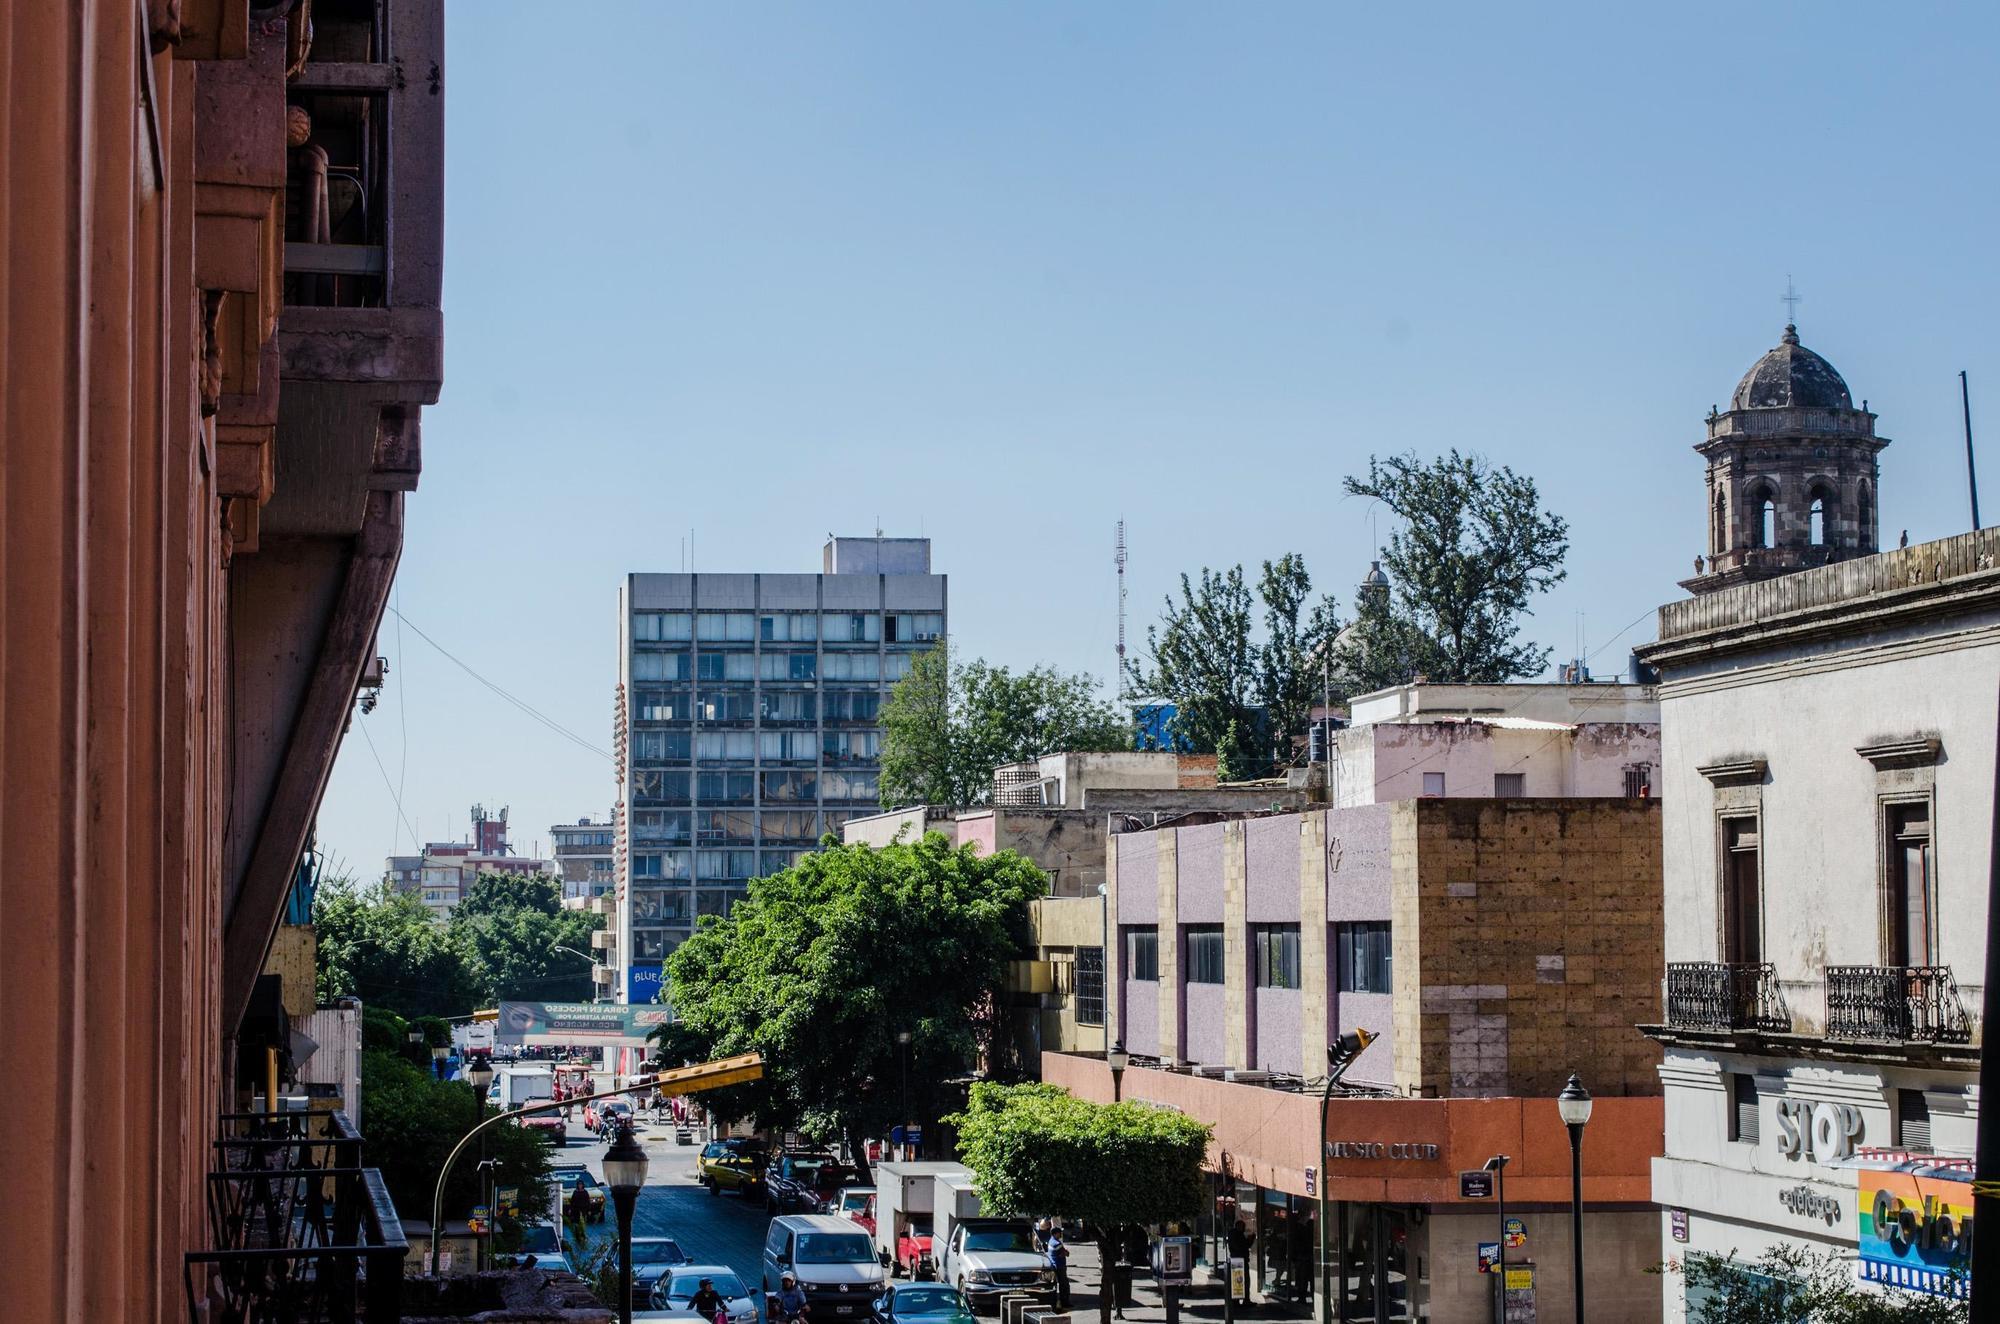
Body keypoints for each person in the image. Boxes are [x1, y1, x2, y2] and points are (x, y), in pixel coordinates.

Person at [1227, 1220, 1255, 1307]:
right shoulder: (1236, 1234)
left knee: (1241, 1280)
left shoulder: (1236, 1234)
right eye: (1242, 1227)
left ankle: (1239, 1299)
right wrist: (1249, 1240)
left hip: (1238, 1259)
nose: (1244, 1229)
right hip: (1239, 1260)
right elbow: (1241, 1246)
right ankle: (1241, 1300)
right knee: (1243, 1280)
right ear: (1238, 1226)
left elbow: (1243, 1246)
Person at [1046, 1227, 1071, 1310]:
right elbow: (1066, 1253)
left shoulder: (1050, 1241)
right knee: (1064, 1285)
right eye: (1060, 1233)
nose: (1061, 1234)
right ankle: (1065, 1302)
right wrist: (1066, 1252)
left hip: (1054, 1265)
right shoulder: (1057, 1243)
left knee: (1055, 1285)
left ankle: (1055, 1302)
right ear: (1055, 1233)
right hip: (1060, 1266)